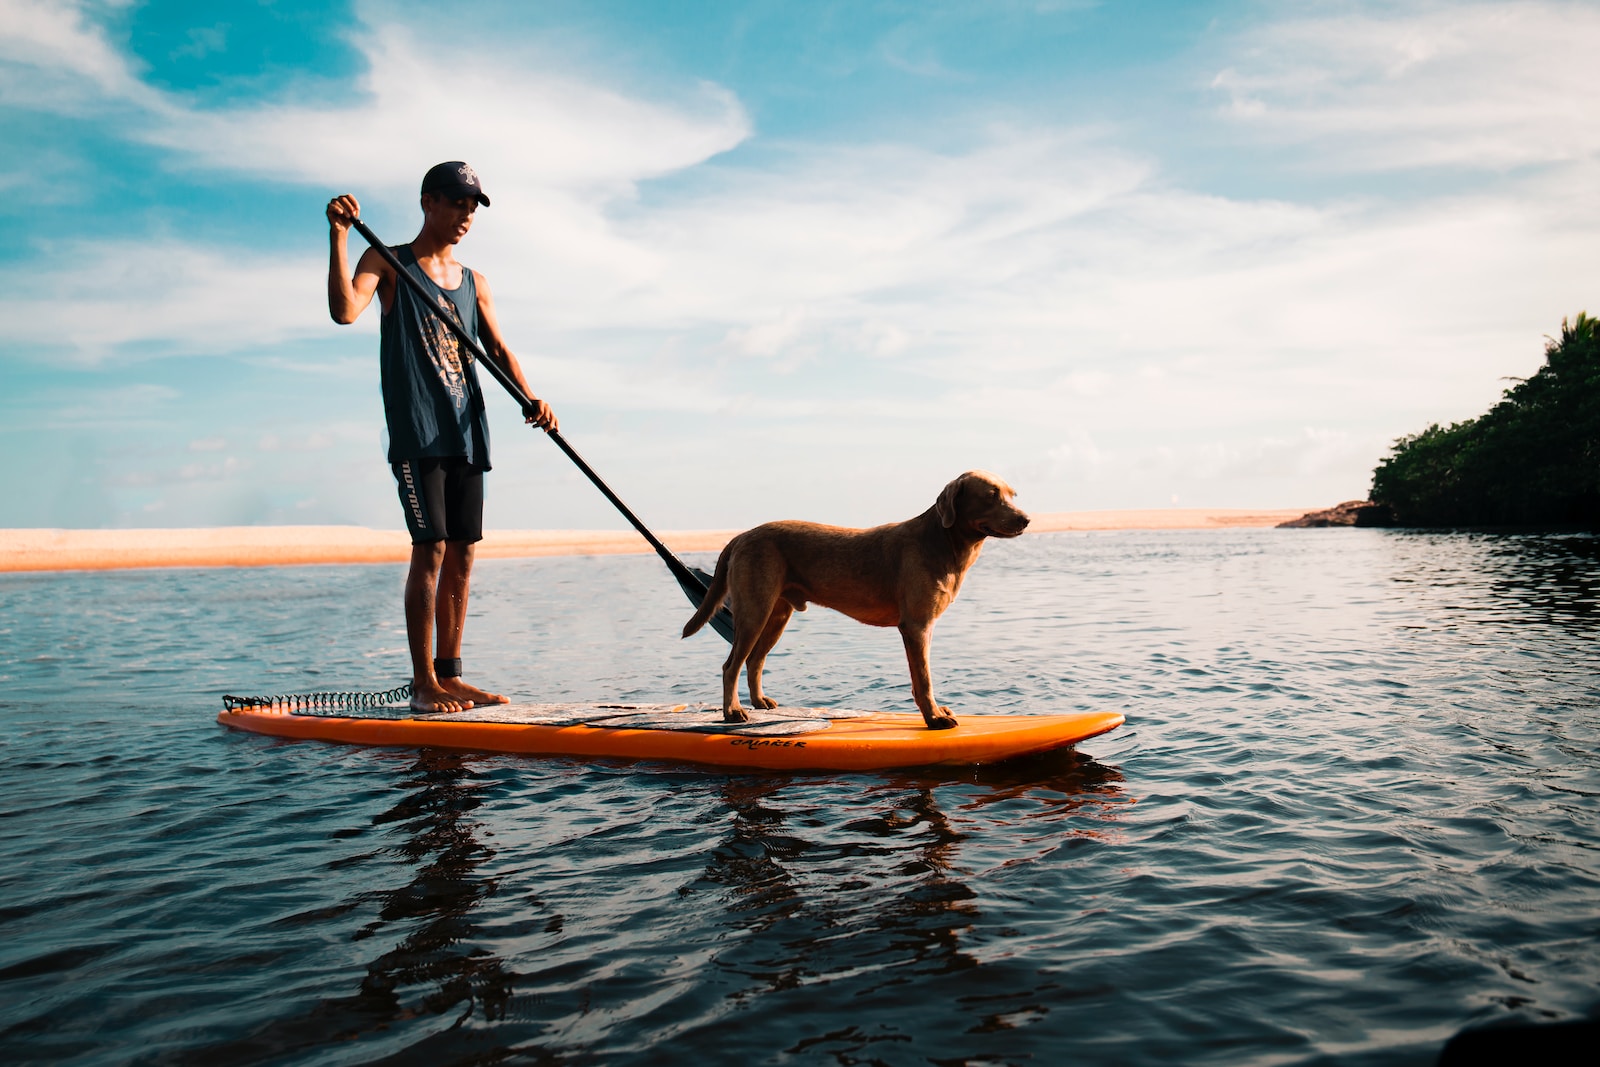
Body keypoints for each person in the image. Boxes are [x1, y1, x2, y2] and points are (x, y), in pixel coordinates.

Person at [325, 162, 557, 714]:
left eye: (473, 207)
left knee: (463, 554)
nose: (466, 216)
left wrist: (532, 398)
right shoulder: (388, 260)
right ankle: (423, 682)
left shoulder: (477, 282)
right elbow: (344, 311)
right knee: (429, 549)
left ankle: (452, 676)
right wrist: (338, 236)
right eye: (457, 203)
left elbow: (498, 349)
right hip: (418, 431)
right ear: (429, 202)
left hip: (468, 428)